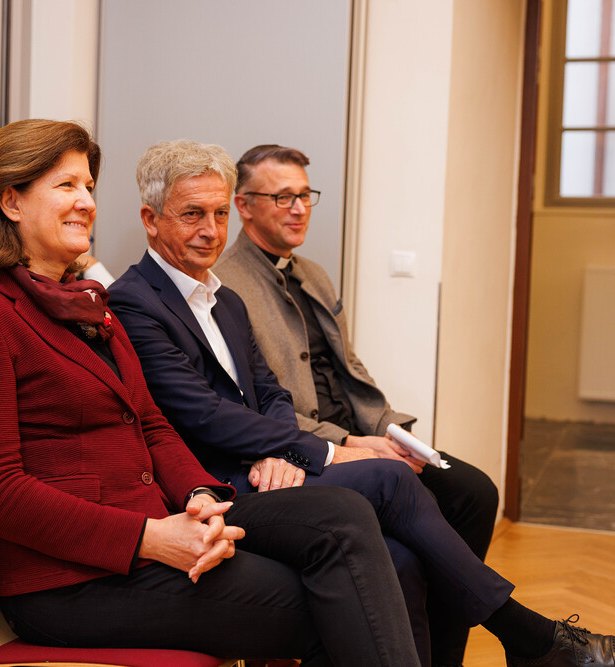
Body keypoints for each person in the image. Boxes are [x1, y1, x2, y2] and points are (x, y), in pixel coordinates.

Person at [107, 139, 615, 667]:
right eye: (192, 215)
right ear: (150, 219)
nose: (211, 230)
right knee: (391, 479)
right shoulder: (133, 302)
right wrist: (322, 451)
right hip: (213, 485)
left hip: (269, 464)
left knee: (408, 555)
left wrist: (288, 452)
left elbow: (270, 391)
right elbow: (202, 414)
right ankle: (531, 638)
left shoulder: (222, 298)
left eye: (219, 214)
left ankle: (527, 643)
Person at [0, 118, 421, 666]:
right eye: (66, 185)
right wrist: (149, 537)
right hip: (68, 582)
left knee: (343, 514)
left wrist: (200, 497)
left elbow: (151, 424)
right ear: (10, 201)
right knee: (341, 600)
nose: (87, 201)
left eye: (89, 185)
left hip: (157, 529)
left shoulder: (89, 305)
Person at [213, 143, 496, 666]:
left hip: (361, 431)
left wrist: (390, 430)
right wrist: (349, 443)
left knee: (473, 492)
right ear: (243, 206)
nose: (299, 208)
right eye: (282, 197)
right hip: (312, 444)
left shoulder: (313, 273)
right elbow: (263, 406)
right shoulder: (228, 285)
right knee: (416, 525)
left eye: (305, 195)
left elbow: (350, 368)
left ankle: (443, 656)